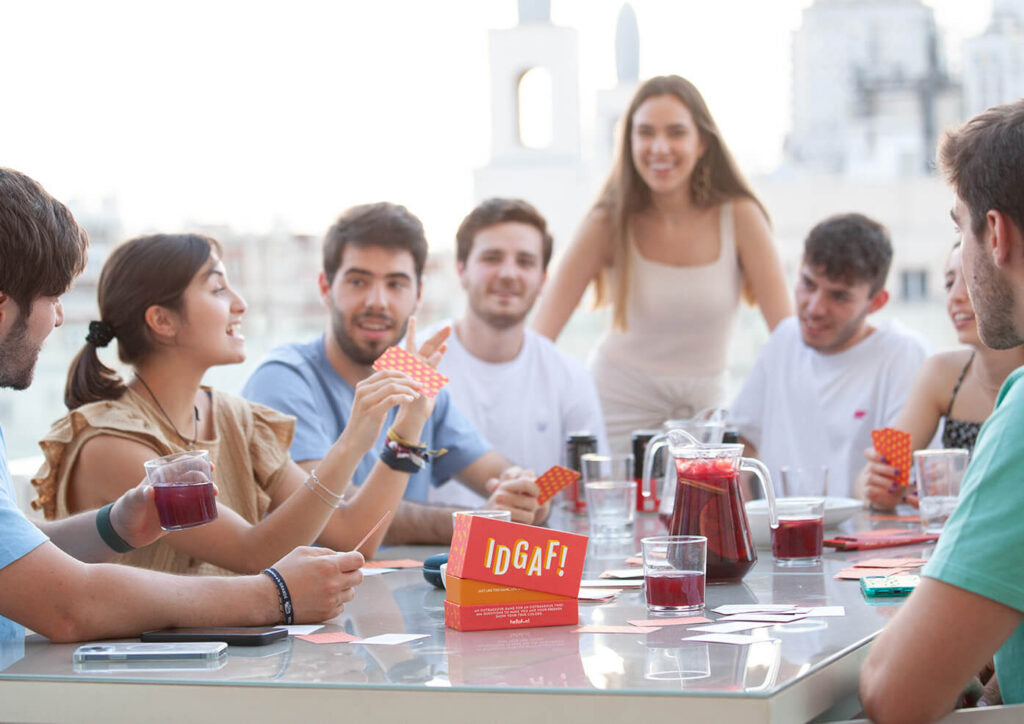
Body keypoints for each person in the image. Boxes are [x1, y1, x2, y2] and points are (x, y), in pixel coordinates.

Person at [0, 167, 359, 645]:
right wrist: (274, 597)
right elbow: (66, 605)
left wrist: (115, 525)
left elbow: (21, 557)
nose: (60, 317)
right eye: (53, 297)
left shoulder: (235, 414)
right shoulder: (111, 438)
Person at [33, 232, 424, 574]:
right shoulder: (111, 443)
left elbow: (352, 536)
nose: (241, 304)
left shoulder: (239, 419)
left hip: (237, 657)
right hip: (150, 662)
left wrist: (409, 425)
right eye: (218, 289)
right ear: (162, 321)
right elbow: (253, 553)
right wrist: (352, 440)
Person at [242, 202, 544, 544]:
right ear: (325, 288)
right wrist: (479, 522)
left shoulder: (417, 382)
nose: (378, 302)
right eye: (358, 281)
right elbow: (337, 522)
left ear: (418, 294)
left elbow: (500, 474)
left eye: (396, 284)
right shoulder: (282, 380)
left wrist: (521, 492)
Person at [860, 100, 1024, 722]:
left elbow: (895, 696)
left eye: (961, 234)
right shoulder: (940, 374)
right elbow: (886, 463)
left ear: (996, 234)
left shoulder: (1022, 413)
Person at [531, 75, 792, 452]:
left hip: (705, 414)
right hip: (617, 408)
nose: (659, 147)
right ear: (629, 142)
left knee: (703, 512)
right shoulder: (607, 222)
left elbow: (787, 341)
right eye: (646, 133)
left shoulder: (740, 217)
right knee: (616, 511)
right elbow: (539, 339)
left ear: (701, 142)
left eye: (675, 132)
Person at [422, 198, 608, 509]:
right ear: (461, 270)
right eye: (492, 258)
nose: (508, 273)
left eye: (525, 262)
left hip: (531, 548)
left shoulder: (570, 376)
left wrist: (524, 498)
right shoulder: (413, 359)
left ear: (543, 280)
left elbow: (585, 481)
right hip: (426, 552)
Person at [728, 213, 930, 499]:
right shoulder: (785, 339)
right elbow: (741, 440)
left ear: (876, 302)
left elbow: (893, 478)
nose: (815, 307)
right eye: (808, 284)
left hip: (866, 539)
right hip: (782, 536)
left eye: (839, 297)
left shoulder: (901, 355)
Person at [855, 242, 1024, 509]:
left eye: (970, 280)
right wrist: (877, 486)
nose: (955, 297)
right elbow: (876, 472)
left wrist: (971, 478)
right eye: (948, 283)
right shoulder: (941, 373)